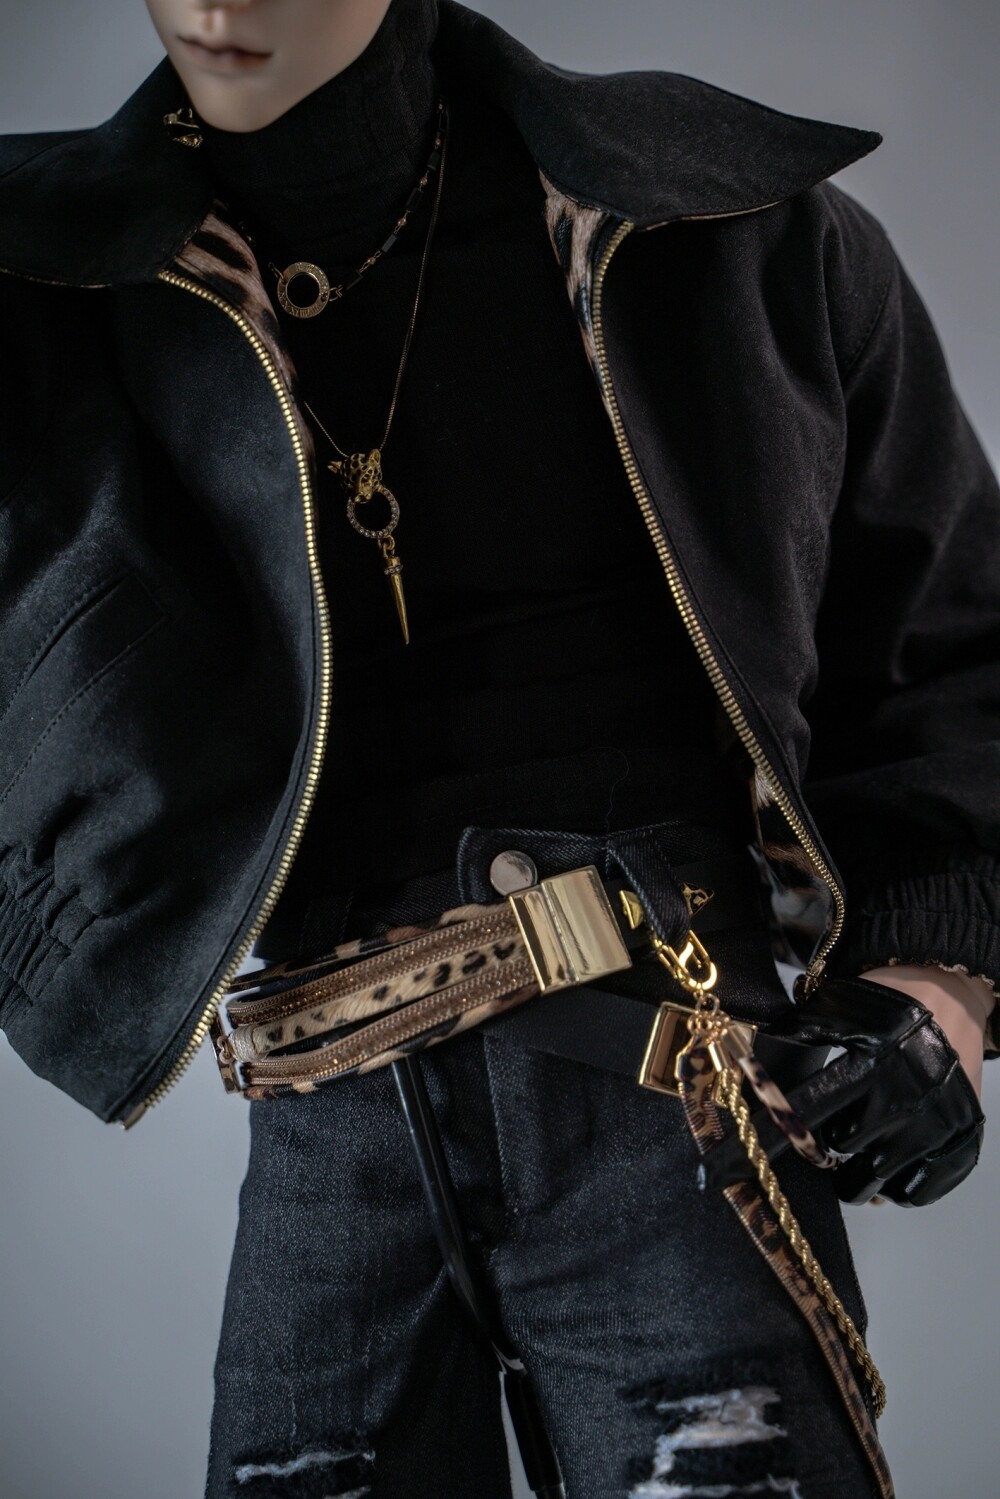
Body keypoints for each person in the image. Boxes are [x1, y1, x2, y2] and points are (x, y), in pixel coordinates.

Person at [0, 1, 997, 1494]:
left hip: (675, 1081)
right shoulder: (41, 296)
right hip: (326, 1123)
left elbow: (948, 646)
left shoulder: (721, 229)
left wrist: (936, 990)